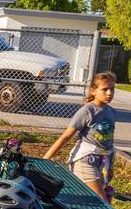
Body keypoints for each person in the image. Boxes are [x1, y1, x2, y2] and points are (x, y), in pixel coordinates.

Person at [43, 71, 117, 201]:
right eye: (104, 89)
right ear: (93, 91)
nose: (109, 93)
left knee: (79, 201)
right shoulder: (87, 111)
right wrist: (45, 159)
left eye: (112, 89)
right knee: (102, 203)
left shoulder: (111, 111)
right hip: (85, 161)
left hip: (101, 161)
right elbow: (65, 137)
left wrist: (110, 167)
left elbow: (108, 141)